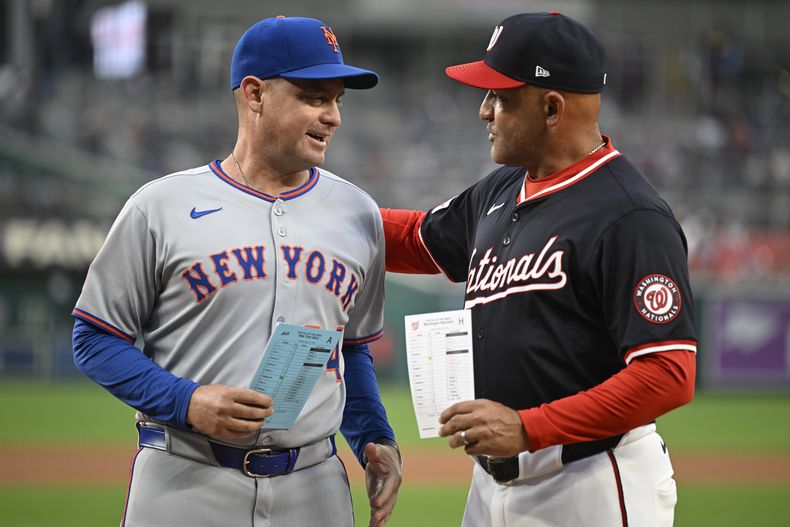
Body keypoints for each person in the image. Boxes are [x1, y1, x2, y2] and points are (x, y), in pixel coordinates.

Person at [72, 16, 401, 527]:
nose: (333, 116)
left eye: (338, 100)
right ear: (254, 94)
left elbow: (351, 348)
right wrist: (186, 400)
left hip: (314, 484)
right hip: (184, 476)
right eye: (315, 97)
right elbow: (94, 338)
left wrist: (375, 436)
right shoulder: (160, 206)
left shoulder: (359, 213)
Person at [381, 12, 696, 526]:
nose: (484, 111)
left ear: (551, 107)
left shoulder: (630, 215)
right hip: (491, 484)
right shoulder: (503, 187)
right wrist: (320, 211)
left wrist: (530, 427)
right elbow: (416, 239)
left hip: (590, 480)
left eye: (500, 98)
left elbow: (668, 374)